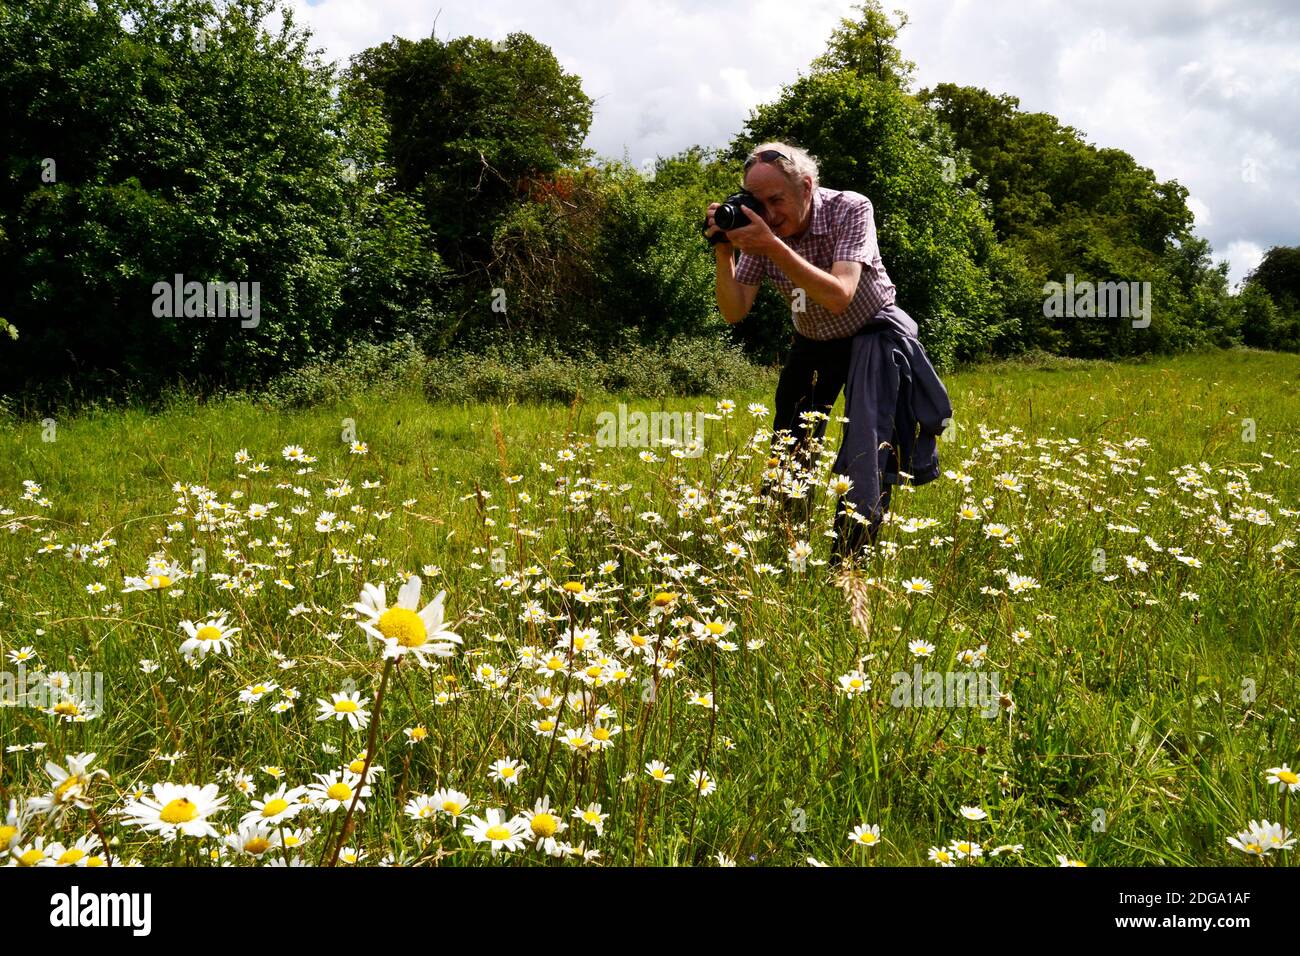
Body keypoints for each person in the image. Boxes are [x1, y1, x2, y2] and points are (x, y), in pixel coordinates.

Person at [706, 141, 943, 564]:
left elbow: (840, 295)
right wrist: (724, 249)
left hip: (871, 335)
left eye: (776, 199)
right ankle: (783, 551)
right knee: (790, 444)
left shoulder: (850, 209)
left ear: (806, 187)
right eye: (757, 202)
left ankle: (849, 563)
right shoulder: (765, 231)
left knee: (867, 447)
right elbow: (734, 310)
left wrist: (770, 246)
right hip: (812, 343)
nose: (768, 212)